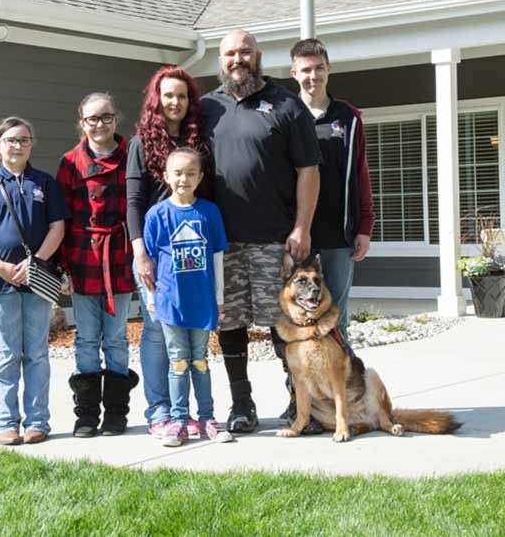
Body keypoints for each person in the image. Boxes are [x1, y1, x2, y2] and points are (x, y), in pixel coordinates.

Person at [202, 29, 321, 433]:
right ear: (221, 60)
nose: (238, 59)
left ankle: (297, 403)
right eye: (231, 53)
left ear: (258, 56)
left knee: (284, 325)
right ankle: (241, 406)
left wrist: (302, 227)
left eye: (245, 52)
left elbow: (309, 170)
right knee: (230, 324)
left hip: (278, 240)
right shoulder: (206, 109)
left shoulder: (287, 105)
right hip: (223, 242)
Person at [0, 116, 68, 446]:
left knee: (37, 352)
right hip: (1, 284)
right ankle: (6, 423)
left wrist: (35, 261)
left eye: (24, 139)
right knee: (7, 353)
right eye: (11, 140)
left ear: (30, 145)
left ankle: (38, 421)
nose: (18, 145)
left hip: (36, 280)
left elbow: (58, 227)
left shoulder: (45, 184)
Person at [127, 66, 213, 440]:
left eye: (181, 95)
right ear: (156, 101)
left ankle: (190, 413)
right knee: (158, 331)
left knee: (189, 334)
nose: (175, 102)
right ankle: (160, 411)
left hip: (192, 250)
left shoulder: (200, 141)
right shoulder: (141, 143)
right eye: (168, 96)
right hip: (155, 253)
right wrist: (140, 254)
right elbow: (132, 203)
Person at [57, 93, 138, 438]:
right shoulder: (70, 161)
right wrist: (61, 267)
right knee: (86, 340)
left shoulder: (132, 154)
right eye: (93, 118)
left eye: (106, 117)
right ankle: (86, 415)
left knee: (117, 339)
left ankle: (117, 414)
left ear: (115, 119)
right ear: (82, 123)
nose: (100, 124)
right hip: (82, 258)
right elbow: (60, 217)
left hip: (119, 255)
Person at [142, 148, 233, 446]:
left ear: (200, 177)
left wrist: (219, 298)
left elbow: (217, 257)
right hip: (170, 303)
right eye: (178, 173)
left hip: (202, 302)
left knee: (200, 360)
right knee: (178, 362)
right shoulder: (157, 214)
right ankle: (179, 421)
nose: (184, 178)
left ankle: (207, 418)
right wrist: (151, 298)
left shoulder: (210, 212)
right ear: (166, 176)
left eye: (190, 173)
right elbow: (149, 264)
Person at [291, 38, 374, 341]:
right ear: (294, 73)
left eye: (319, 68)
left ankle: (341, 385)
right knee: (301, 314)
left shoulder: (348, 117)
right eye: (306, 70)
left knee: (336, 315)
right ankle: (301, 387)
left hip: (339, 234)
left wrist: (365, 226)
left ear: (329, 70)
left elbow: (360, 173)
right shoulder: (287, 116)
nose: (313, 76)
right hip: (298, 235)